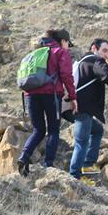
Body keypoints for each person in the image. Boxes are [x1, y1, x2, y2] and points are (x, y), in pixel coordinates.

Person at [69, 39, 108, 185]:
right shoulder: (96, 61)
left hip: (72, 107)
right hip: (82, 109)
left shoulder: (81, 62)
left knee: (97, 130)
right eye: (104, 51)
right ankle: (75, 177)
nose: (106, 55)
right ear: (94, 48)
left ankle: (87, 165)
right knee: (81, 142)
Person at [16, 29, 78, 176]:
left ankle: (24, 157)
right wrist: (73, 97)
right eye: (68, 44)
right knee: (53, 130)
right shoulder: (60, 52)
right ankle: (48, 164)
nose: (68, 47)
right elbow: (66, 76)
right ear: (63, 41)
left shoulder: (34, 54)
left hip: (30, 95)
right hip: (51, 95)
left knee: (38, 130)